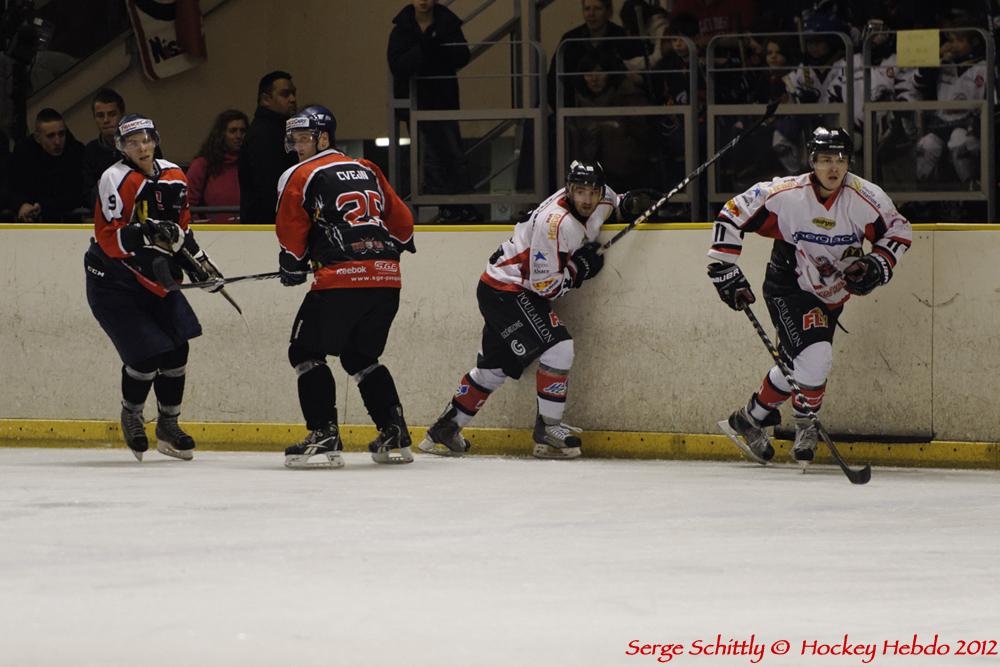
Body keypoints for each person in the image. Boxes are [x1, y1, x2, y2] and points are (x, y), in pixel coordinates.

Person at [707, 127, 912, 466]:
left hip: (832, 294)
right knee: (816, 356)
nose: (834, 167)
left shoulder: (865, 197)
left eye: (841, 159)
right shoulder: (787, 194)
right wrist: (724, 267)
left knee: (797, 362)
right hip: (788, 285)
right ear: (812, 161)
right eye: (825, 159)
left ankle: (750, 418)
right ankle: (806, 425)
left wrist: (877, 264)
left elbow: (899, 230)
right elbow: (732, 212)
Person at [418, 161, 649, 460]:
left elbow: (613, 204)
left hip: (500, 287)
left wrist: (629, 205)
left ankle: (445, 429)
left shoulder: (602, 197)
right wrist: (579, 269)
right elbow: (545, 287)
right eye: (580, 192)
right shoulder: (555, 224)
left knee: (493, 369)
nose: (587, 199)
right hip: (509, 290)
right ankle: (548, 429)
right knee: (559, 347)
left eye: (593, 192)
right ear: (569, 189)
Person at [275, 105, 416, 469]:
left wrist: (292, 264)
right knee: (360, 357)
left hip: (341, 280)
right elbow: (403, 223)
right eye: (294, 139)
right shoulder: (367, 167)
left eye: (304, 139)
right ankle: (394, 432)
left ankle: (323, 434)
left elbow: (291, 229)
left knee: (305, 351)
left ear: (324, 138)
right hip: (387, 279)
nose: (298, 146)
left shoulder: (300, 174)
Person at [84, 114, 226, 462]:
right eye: (133, 143)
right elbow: (110, 239)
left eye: (147, 139)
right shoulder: (115, 178)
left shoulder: (175, 175)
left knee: (177, 350)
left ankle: (168, 425)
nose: (142, 147)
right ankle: (132, 415)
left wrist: (199, 265)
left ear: (155, 140)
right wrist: (145, 232)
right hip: (114, 281)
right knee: (146, 356)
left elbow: (181, 232)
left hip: (153, 278)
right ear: (122, 148)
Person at [387, 0, 481, 223]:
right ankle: (445, 207)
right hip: (416, 102)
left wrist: (432, 48)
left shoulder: (447, 24)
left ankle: (460, 206)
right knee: (428, 157)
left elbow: (461, 56)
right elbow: (397, 65)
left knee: (452, 155)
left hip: (442, 100)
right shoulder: (402, 29)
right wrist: (426, 49)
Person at [238, 70, 298, 225]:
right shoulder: (262, 134)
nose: (292, 99)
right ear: (266, 99)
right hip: (266, 225)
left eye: (293, 93)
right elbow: (269, 186)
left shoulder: (284, 129)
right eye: (285, 94)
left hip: (277, 221)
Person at [10, 108, 87, 222]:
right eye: (50, 136)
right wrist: (21, 204)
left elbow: (77, 193)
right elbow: (13, 186)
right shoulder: (24, 152)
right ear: (37, 138)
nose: (57, 141)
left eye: (61, 134)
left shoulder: (76, 152)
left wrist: (42, 207)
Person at [187, 109, 248, 224]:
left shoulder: (251, 164)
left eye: (243, 131)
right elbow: (188, 204)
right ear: (221, 134)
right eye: (233, 131)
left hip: (247, 231)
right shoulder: (202, 165)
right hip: (210, 231)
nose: (239, 136)